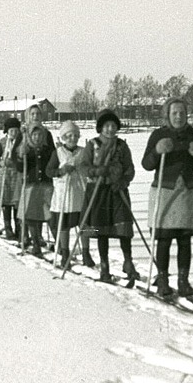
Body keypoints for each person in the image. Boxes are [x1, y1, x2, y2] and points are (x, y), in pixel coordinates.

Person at [141, 98, 193, 298]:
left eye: (182, 113)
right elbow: (146, 164)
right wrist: (157, 150)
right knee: (164, 239)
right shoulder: (158, 134)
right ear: (167, 115)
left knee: (184, 239)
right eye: (174, 113)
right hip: (164, 192)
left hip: (187, 192)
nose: (179, 117)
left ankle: (183, 281)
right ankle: (163, 280)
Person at [77, 110, 138, 284]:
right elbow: (83, 166)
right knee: (100, 229)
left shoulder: (122, 146)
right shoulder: (93, 145)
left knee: (124, 228)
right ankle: (104, 267)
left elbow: (129, 168)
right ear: (101, 128)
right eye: (107, 126)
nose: (110, 129)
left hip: (117, 191)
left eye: (113, 126)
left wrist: (124, 181)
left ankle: (128, 262)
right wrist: (96, 171)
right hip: (98, 191)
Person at [46, 121, 93, 269]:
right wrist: (61, 171)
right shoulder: (58, 152)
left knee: (84, 224)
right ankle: (65, 253)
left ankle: (86, 252)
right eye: (69, 136)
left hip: (80, 191)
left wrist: (85, 170)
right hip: (63, 194)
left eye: (75, 135)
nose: (72, 138)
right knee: (64, 225)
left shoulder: (84, 151)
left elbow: (89, 167)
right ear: (64, 137)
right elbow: (49, 171)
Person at [14, 124, 55, 255]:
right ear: (31, 136)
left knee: (50, 215)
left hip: (46, 186)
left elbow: (53, 165)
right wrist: (21, 156)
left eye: (40, 135)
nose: (37, 137)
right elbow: (20, 168)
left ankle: (59, 243)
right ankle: (35, 243)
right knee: (31, 216)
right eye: (34, 135)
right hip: (31, 186)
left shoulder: (47, 150)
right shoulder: (27, 150)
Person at [0, 117, 23, 241]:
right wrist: (1, 162)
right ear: (7, 131)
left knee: (17, 202)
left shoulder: (22, 142)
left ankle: (19, 229)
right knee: (6, 202)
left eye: (16, 130)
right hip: (5, 175)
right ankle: (8, 228)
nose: (14, 133)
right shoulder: (2, 142)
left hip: (17, 174)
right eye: (11, 130)